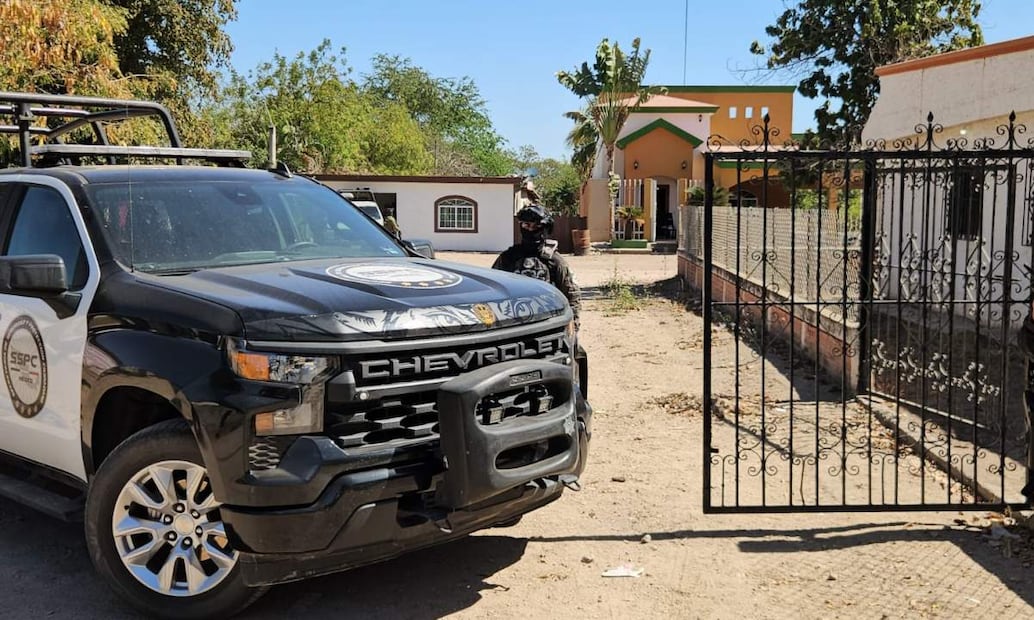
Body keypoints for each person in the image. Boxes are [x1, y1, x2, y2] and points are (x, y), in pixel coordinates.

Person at [492, 204, 581, 328]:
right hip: (514, 322)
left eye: (536, 226)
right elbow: (493, 290)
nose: (530, 230)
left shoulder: (554, 261)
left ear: (545, 228)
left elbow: (571, 294)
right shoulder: (508, 258)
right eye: (526, 225)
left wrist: (573, 325)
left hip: (547, 322)